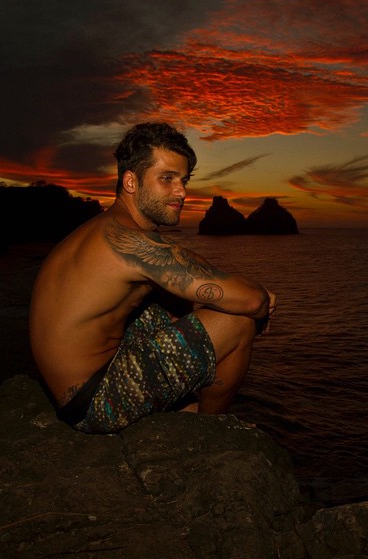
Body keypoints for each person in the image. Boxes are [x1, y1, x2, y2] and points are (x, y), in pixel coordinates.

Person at [29, 122, 276, 434]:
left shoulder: (111, 227)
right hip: (93, 403)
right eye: (167, 179)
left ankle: (180, 407)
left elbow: (183, 262)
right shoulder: (129, 243)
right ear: (131, 182)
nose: (182, 191)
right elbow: (253, 300)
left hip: (78, 382)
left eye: (183, 180)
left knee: (173, 305)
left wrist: (231, 291)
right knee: (239, 321)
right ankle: (209, 431)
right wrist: (261, 300)